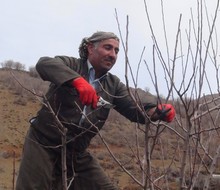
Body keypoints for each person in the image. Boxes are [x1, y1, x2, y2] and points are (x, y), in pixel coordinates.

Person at [16, 31, 175, 190]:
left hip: (76, 154)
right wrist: (77, 81)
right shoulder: (72, 65)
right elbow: (44, 64)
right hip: (43, 143)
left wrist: (156, 109)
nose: (112, 54)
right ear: (90, 48)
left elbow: (133, 103)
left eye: (116, 51)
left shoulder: (113, 85)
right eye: (108, 48)